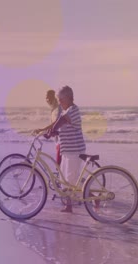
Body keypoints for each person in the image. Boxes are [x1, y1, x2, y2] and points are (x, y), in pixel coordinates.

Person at [47, 85, 86, 213]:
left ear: (69, 98)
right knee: (66, 179)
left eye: (61, 100)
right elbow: (64, 127)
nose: (59, 102)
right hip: (67, 151)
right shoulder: (65, 111)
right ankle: (69, 205)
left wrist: (53, 129)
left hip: (74, 151)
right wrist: (53, 132)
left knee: (71, 179)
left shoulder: (73, 110)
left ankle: (74, 204)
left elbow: (63, 120)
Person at [33, 90, 62, 165]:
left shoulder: (58, 108)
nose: (46, 100)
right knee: (59, 165)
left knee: (59, 166)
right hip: (57, 139)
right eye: (46, 98)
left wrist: (42, 129)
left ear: (52, 97)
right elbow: (53, 125)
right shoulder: (53, 109)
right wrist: (47, 132)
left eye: (48, 98)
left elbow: (55, 123)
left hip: (62, 140)